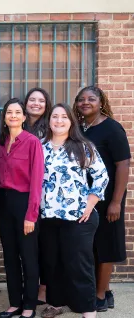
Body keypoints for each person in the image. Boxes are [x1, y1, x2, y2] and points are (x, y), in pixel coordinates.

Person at [39, 103, 109, 318]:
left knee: (79, 265)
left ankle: (88, 310)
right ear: (49, 121)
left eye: (64, 117)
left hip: (78, 217)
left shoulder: (82, 146)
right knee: (52, 264)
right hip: (48, 216)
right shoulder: (39, 146)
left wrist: (89, 204)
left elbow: (101, 176)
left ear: (72, 121)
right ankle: (56, 303)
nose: (59, 121)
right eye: (55, 117)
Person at [74, 86, 131, 312]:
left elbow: (123, 165)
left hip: (107, 197)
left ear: (101, 102)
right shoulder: (79, 128)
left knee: (106, 245)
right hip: (85, 197)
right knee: (90, 245)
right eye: (81, 99)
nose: (85, 102)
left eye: (91, 99)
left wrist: (116, 201)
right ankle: (104, 290)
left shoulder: (112, 128)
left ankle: (99, 295)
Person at [0, 98, 44, 318]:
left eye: (17, 112)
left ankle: (29, 306)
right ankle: (15, 303)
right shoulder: (0, 142)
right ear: (4, 117)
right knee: (10, 256)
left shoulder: (32, 142)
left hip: (24, 203)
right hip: (4, 204)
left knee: (28, 256)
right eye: (9, 112)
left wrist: (31, 215)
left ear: (24, 117)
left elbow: (36, 181)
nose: (13, 116)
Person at [23, 87, 52, 304]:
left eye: (40, 100)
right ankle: (30, 287)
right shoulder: (18, 126)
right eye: (32, 100)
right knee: (29, 246)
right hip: (24, 193)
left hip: (47, 193)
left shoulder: (50, 127)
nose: (36, 104)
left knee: (45, 244)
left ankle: (44, 288)